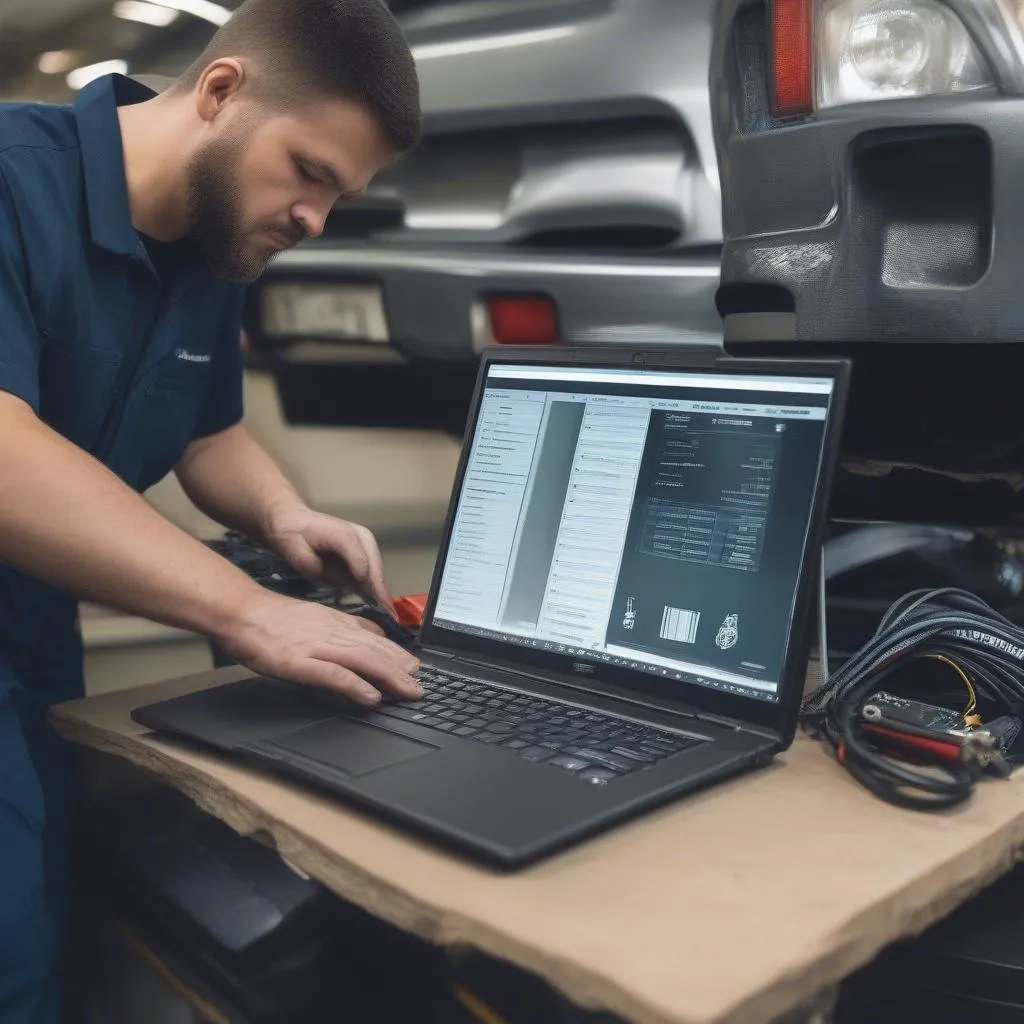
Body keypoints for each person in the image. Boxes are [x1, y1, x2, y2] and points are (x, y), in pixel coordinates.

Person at [0, 0, 424, 1019]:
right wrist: (249, 610)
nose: (315, 218)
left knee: (60, 900)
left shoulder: (216, 235)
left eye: (342, 194)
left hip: (36, 628)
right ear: (223, 91)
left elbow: (202, 429)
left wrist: (284, 515)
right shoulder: (14, 179)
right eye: (310, 172)